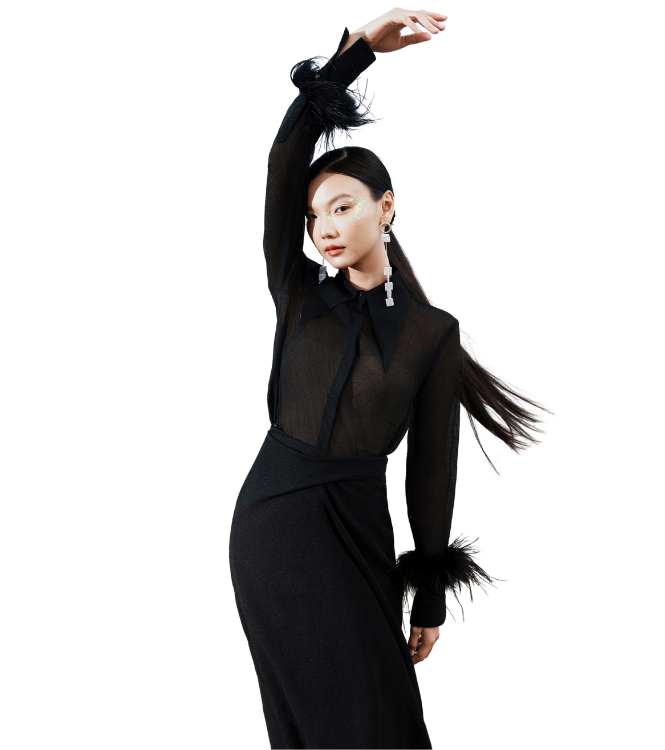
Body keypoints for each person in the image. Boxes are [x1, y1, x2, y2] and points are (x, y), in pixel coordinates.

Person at [229, 9, 546, 748]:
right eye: (315, 216)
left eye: (342, 207)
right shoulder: (298, 293)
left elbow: (432, 470)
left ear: (386, 207)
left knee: (384, 721)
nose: (325, 227)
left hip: (361, 529)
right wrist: (359, 52)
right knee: (329, 723)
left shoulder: (432, 333)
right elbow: (284, 157)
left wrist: (429, 595)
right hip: (275, 526)